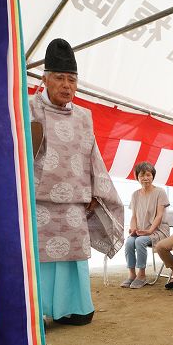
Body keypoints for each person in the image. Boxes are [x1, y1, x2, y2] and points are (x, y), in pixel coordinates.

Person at [31, 38, 124, 326]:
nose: (67, 85)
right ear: (45, 78)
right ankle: (36, 309)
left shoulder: (85, 116)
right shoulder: (27, 108)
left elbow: (92, 154)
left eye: (72, 79)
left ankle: (76, 307)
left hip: (74, 202)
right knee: (41, 258)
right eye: (59, 78)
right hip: (37, 201)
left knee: (74, 257)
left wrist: (97, 191)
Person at [121, 161, 169, 289]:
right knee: (130, 241)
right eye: (142, 175)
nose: (145, 178)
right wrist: (133, 229)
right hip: (142, 231)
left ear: (153, 176)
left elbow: (159, 215)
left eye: (148, 175)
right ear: (137, 177)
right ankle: (132, 274)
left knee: (139, 242)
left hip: (158, 231)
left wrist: (150, 231)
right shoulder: (135, 194)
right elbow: (134, 216)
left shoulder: (160, 192)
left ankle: (141, 275)